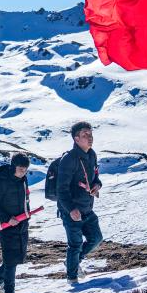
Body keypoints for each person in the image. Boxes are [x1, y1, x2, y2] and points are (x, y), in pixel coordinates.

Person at [56, 121, 104, 283]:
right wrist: (71, 209)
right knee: (75, 244)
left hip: (87, 208)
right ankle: (72, 280)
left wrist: (97, 185)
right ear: (76, 139)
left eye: (90, 134)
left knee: (96, 238)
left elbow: (95, 177)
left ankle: (73, 262)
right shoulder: (69, 159)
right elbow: (61, 189)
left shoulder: (92, 155)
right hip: (71, 210)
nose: (90, 137)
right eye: (85, 135)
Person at [0, 153, 32, 293]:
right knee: (10, 258)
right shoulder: (1, 182)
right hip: (6, 226)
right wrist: (7, 218)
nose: (23, 172)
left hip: (22, 223)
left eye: (25, 169)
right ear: (13, 167)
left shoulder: (24, 180)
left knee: (18, 256)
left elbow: (26, 200)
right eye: (20, 169)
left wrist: (27, 215)